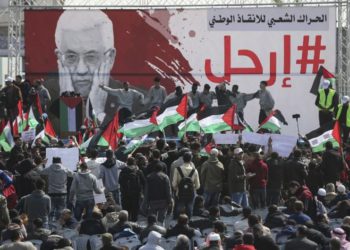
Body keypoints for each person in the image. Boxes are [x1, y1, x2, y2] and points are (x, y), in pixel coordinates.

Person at [55, 10, 118, 123]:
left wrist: (97, 111)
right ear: (60, 58)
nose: (81, 70)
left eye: (91, 57)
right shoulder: (45, 96)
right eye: (71, 57)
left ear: (109, 58)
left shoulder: (132, 100)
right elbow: (69, 136)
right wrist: (68, 103)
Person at [40, 156, 73, 221]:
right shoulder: (65, 169)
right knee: (61, 211)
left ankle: (50, 225)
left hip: (51, 192)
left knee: (50, 210)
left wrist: (43, 164)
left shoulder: (49, 169)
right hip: (62, 193)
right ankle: (59, 225)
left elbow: (41, 172)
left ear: (52, 161)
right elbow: (72, 174)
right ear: (60, 161)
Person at [172, 152, 200, 218]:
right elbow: (198, 186)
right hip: (191, 194)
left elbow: (174, 184)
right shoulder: (194, 170)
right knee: (189, 209)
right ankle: (188, 222)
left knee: (179, 209)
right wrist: (192, 188)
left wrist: (179, 189)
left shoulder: (177, 169)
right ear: (191, 160)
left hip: (180, 193)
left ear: (183, 159)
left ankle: (178, 222)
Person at [119, 157, 145, 222]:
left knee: (126, 211)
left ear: (127, 163)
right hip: (136, 195)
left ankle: (126, 224)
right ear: (134, 163)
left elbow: (119, 181)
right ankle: (134, 224)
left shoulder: (123, 171)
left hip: (125, 195)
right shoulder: (138, 171)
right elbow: (144, 182)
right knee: (135, 211)